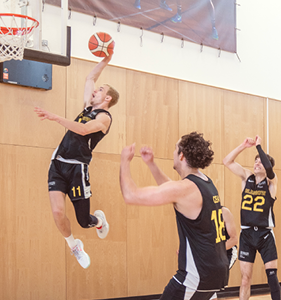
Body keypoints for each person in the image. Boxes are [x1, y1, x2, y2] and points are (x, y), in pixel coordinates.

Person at [120, 132, 229, 300]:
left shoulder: (186, 188)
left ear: (182, 155)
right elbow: (172, 191)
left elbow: (131, 196)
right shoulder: (204, 182)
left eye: (175, 148)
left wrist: (124, 162)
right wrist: (151, 165)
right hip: (216, 273)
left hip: (196, 275)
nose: (173, 153)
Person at [34, 54, 119, 269]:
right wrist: (106, 59)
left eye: (100, 90)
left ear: (107, 98)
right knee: (57, 213)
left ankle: (99, 221)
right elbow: (90, 77)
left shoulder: (104, 119)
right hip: (58, 164)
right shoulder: (87, 107)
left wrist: (56, 118)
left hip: (78, 169)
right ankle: (74, 246)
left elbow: (82, 129)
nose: (95, 91)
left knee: (84, 221)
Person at [223, 135, 281, 300]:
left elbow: (269, 170)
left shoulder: (271, 182)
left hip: (265, 234)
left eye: (260, 161)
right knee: (245, 279)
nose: (257, 163)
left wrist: (259, 148)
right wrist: (243, 146)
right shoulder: (246, 177)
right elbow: (227, 161)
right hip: (247, 234)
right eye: (255, 161)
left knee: (271, 276)